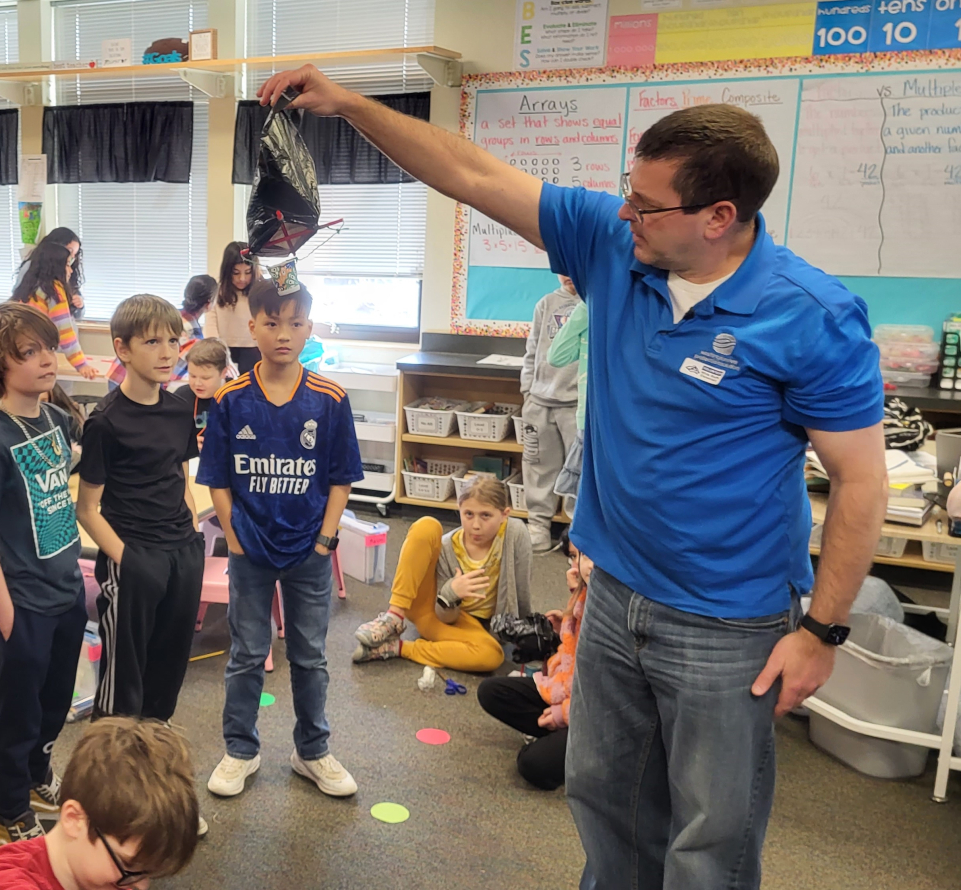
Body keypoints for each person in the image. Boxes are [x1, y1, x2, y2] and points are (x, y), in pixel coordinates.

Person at [257, 68, 886, 888]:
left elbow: (861, 483)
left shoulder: (812, 316)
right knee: (605, 802)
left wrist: (824, 632)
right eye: (628, 192)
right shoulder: (613, 245)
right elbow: (472, 173)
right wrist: (346, 105)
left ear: (719, 217)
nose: (625, 211)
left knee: (711, 836)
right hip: (613, 596)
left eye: (648, 203)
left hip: (727, 623)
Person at [197, 279, 364, 800]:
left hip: (308, 552)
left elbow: (341, 478)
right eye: (271, 323)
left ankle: (311, 751)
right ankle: (239, 751)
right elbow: (217, 478)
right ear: (253, 328)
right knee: (247, 653)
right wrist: (234, 536)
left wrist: (325, 539)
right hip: (250, 550)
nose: (283, 334)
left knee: (310, 656)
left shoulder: (329, 399)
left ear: (309, 329)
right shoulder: (229, 399)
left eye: (295, 323)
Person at [0, 302, 87, 849]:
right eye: (29, 353)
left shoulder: (56, 419)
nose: (46, 360)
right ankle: (9, 808)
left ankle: (38, 778)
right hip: (24, 604)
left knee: (56, 699)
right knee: (18, 713)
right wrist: (6, 616)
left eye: (48, 347)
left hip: (66, 591)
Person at [76, 295, 204, 733]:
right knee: (123, 681)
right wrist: (129, 561)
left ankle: (154, 742)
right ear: (123, 349)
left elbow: (180, 479)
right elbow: (87, 508)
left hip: (182, 553)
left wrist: (192, 540)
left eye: (173, 340)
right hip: (133, 555)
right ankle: (111, 760)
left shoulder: (178, 410)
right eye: (152, 341)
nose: (167, 352)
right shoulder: (105, 422)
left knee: (169, 663)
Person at [0, 717, 199, 890]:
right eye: (127, 864)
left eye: (147, 873)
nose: (140, 886)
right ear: (74, 819)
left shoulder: (93, 877)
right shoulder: (4, 883)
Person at [352, 478, 531, 672]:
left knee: (492, 655)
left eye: (486, 515)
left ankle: (397, 648)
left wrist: (525, 631)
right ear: (459, 508)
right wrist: (451, 594)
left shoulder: (515, 534)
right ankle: (393, 617)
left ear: (504, 514)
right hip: (436, 613)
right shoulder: (448, 547)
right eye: (468, 514)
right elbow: (444, 616)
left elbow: (521, 589)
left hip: (472, 625)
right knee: (427, 525)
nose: (476, 525)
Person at [478, 532, 593, 792]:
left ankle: (584, 754)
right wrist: (562, 629)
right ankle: (564, 742)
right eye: (573, 557)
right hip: (572, 696)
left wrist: (562, 715)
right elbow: (573, 660)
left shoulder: (611, 608)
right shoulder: (583, 595)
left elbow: (604, 689)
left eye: (584, 556)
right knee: (493, 692)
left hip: (599, 716)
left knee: (533, 765)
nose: (576, 567)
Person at [520, 274, 580, 552]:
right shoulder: (546, 304)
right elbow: (532, 349)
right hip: (540, 400)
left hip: (577, 405)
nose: (567, 273)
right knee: (538, 465)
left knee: (578, 471)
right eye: (561, 267)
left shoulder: (596, 302)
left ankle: (576, 533)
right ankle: (538, 527)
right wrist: (527, 390)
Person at [11, 232, 102, 381]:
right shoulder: (54, 290)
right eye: (67, 264)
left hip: (21, 354)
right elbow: (65, 331)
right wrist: (82, 365)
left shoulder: (31, 286)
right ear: (56, 266)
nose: (71, 269)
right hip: (37, 353)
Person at [548, 299, 588, 505]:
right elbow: (556, 356)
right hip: (585, 421)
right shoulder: (587, 314)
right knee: (580, 495)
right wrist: (585, 307)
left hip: (614, 423)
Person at [203, 242, 260, 371]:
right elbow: (211, 326)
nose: (242, 278)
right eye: (236, 273)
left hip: (254, 349)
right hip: (223, 350)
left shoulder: (260, 292)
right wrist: (215, 350)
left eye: (247, 272)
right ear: (227, 271)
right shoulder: (217, 292)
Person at [174, 338, 231, 445]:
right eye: (192, 376)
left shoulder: (239, 396)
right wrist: (190, 445)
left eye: (205, 378)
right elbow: (170, 434)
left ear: (224, 372)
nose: (197, 383)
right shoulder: (181, 397)